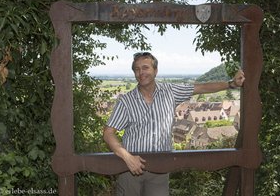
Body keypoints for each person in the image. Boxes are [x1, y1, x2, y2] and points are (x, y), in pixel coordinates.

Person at [103, 52, 245, 196]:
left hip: (160, 169)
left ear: (155, 71)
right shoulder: (126, 101)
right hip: (131, 169)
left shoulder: (170, 91)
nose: (141, 72)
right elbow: (108, 133)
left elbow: (201, 88)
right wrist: (127, 157)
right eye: (137, 69)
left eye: (145, 67)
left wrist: (231, 84)